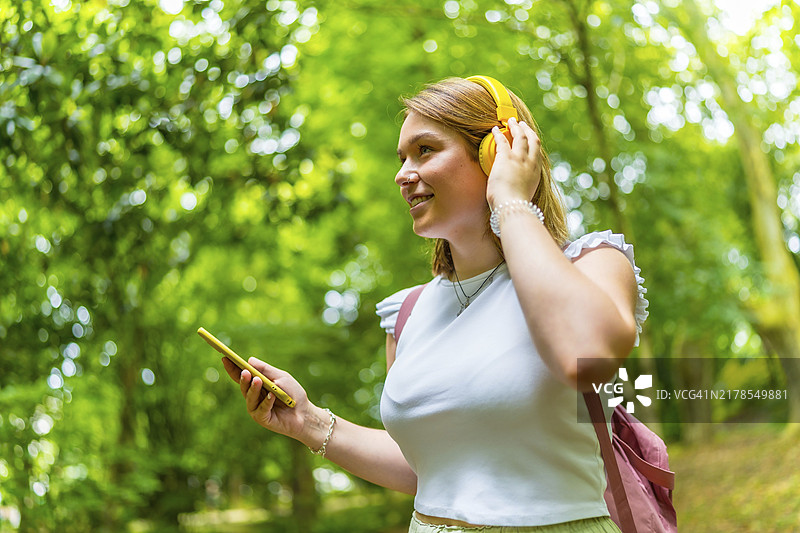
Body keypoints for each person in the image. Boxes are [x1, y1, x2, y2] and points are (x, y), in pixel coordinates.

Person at [223, 75, 649, 533]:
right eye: (402, 157)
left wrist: (510, 200)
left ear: (496, 152)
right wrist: (308, 422)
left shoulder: (594, 264)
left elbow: (582, 355)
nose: (403, 174)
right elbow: (428, 466)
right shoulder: (405, 314)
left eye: (425, 150)